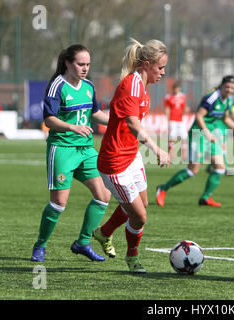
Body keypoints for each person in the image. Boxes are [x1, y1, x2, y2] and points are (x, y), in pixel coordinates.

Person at [92, 38, 169, 273]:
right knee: (140, 217)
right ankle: (132, 257)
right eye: (161, 67)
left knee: (142, 205)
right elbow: (133, 124)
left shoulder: (142, 86)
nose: (163, 73)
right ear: (146, 64)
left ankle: (103, 233)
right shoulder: (132, 84)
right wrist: (157, 149)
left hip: (131, 156)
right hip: (115, 163)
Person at [31, 44, 111, 262]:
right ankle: (40, 245)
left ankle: (83, 243)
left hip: (86, 150)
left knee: (104, 195)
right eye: (80, 64)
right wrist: (72, 127)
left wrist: (116, 121)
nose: (85, 68)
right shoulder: (58, 85)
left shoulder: (88, 86)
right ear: (68, 63)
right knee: (59, 203)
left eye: (88, 64)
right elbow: (49, 119)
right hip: (63, 149)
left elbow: (94, 112)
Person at [156, 75, 234, 208]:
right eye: (227, 87)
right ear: (222, 86)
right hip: (198, 133)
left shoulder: (228, 100)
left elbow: (226, 119)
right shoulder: (211, 97)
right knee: (193, 170)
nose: (229, 90)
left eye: (232, 88)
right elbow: (199, 116)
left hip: (211, 135)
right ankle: (163, 188)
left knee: (220, 168)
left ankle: (205, 198)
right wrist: (206, 132)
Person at [164, 81, 189, 161]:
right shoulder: (169, 97)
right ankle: (171, 155)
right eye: (175, 88)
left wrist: (186, 110)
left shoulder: (183, 96)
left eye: (178, 88)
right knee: (172, 137)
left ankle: (184, 155)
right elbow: (167, 109)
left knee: (184, 137)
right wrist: (167, 120)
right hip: (172, 121)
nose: (176, 90)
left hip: (180, 120)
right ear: (173, 89)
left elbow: (184, 107)